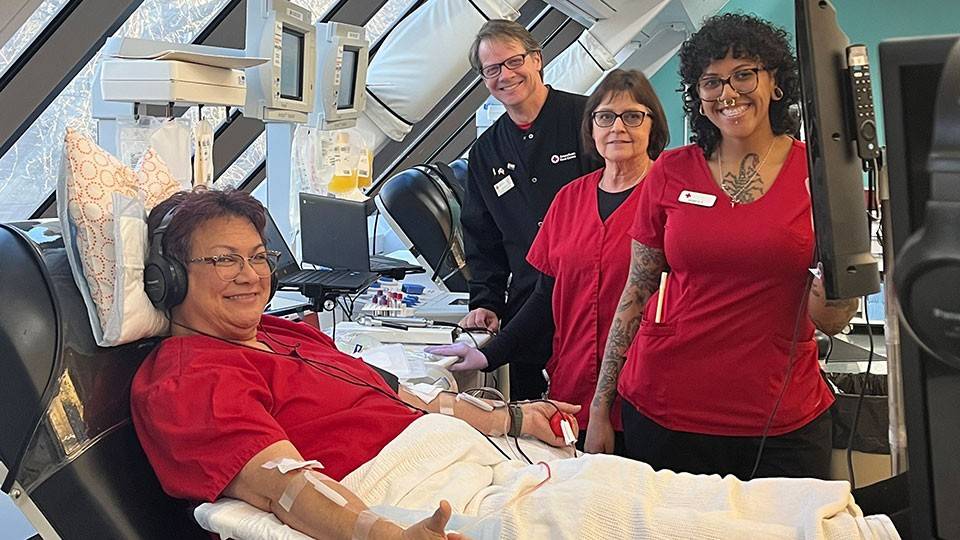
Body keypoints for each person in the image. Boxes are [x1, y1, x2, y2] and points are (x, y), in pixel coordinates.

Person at [130, 188, 579, 540]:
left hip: (470, 466)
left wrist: (517, 418)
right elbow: (287, 487)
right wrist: (389, 536)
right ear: (168, 279)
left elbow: (406, 397)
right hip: (411, 498)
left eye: (258, 257)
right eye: (225, 259)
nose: (250, 275)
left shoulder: (281, 333)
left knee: (617, 486)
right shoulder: (189, 380)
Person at [585, 14, 860, 478]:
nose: (727, 92)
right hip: (665, 411)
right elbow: (636, 291)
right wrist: (599, 406)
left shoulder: (819, 174)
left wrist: (834, 277)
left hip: (781, 419)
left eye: (744, 74)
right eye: (711, 81)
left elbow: (832, 320)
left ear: (776, 83)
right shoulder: (671, 171)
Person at [427, 69, 669, 454]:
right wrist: (487, 354)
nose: (617, 127)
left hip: (647, 398)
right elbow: (544, 298)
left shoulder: (671, 200)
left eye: (632, 116)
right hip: (573, 393)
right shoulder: (569, 199)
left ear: (653, 125)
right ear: (590, 128)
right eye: (605, 117)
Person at [461, 19, 602, 400]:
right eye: (492, 69)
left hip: (592, 304)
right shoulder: (486, 151)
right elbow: (482, 238)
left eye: (513, 61)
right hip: (527, 310)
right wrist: (486, 302)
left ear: (536, 59)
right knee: (530, 417)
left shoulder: (589, 120)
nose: (505, 76)